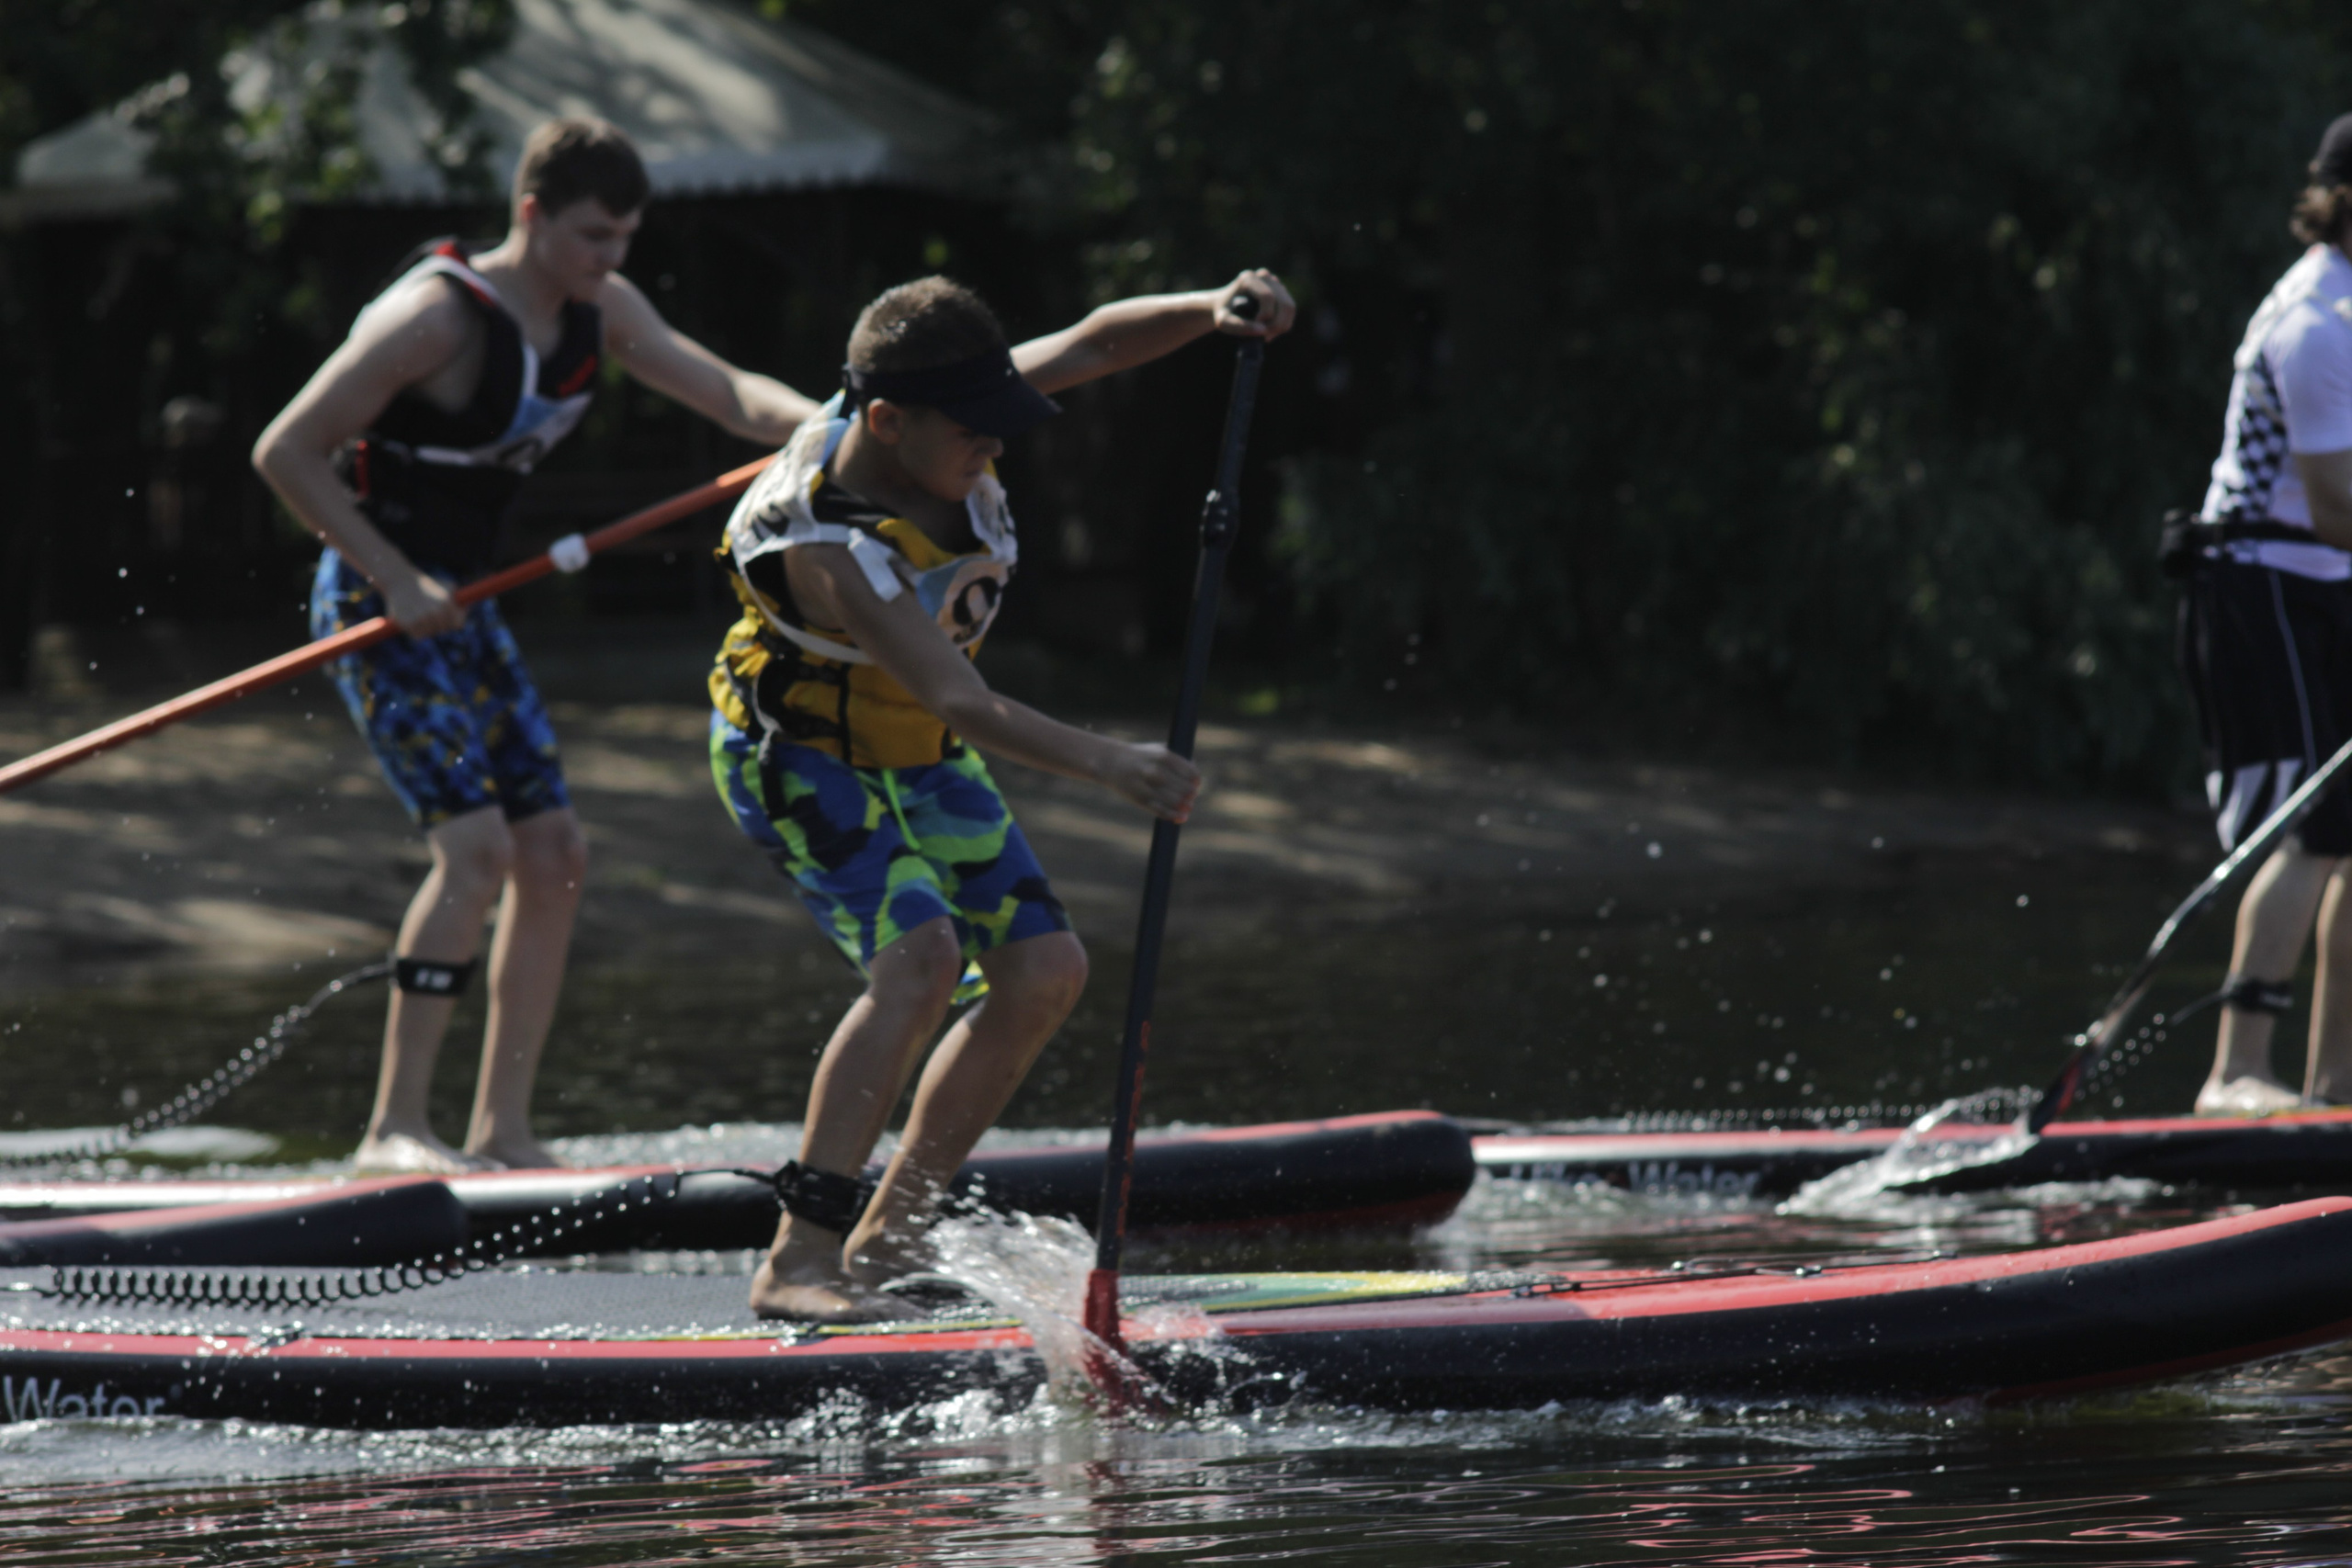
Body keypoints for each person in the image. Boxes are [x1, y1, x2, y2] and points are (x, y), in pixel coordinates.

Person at [709, 270, 1294, 1320]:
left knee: (1045, 972)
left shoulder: (937, 401)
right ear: (886, 422)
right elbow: (962, 698)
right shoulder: (831, 546)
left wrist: (1211, 309)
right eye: (978, 433)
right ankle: (798, 1258)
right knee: (920, 964)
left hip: (915, 747)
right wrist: (1113, 764)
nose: (997, 446)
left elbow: (1095, 343)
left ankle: (890, 1240)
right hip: (799, 753)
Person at [254, 118, 820, 1173]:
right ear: (531, 216)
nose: (610, 261)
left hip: (471, 605)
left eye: (625, 241)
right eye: (593, 237)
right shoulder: (432, 318)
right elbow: (285, 451)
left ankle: (501, 1131)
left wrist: (831, 426)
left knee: (555, 856)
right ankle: (393, 1131)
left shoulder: (600, 309)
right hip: (378, 604)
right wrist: (397, 577)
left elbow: (733, 396)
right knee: (476, 853)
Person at [2179, 112, 2352, 1115]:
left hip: (2325, 583)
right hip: (2259, 586)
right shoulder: (2317, 324)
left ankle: (2334, 1087)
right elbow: (2334, 510)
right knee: (2314, 831)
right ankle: (2234, 1073)